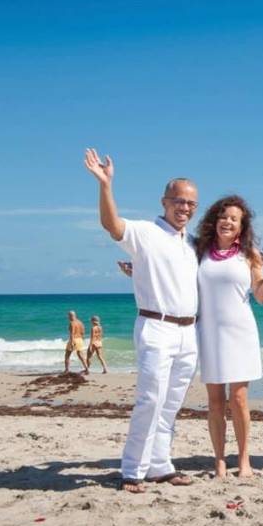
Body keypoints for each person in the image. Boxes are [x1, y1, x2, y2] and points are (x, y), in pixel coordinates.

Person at [84, 148, 199, 493]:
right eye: (179, 201)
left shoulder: (190, 242)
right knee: (150, 399)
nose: (185, 208)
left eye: (191, 204)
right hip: (156, 327)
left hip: (188, 331)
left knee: (171, 404)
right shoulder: (145, 233)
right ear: (165, 202)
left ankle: (160, 465)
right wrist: (106, 185)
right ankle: (132, 470)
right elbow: (111, 224)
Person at [195, 195, 263, 479]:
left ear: (241, 227)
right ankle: (219, 461)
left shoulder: (249, 255)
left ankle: (243, 460)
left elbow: (262, 296)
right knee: (215, 400)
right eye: (223, 216)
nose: (227, 222)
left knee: (238, 399)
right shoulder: (199, 251)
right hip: (209, 333)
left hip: (240, 332)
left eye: (234, 219)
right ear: (215, 221)